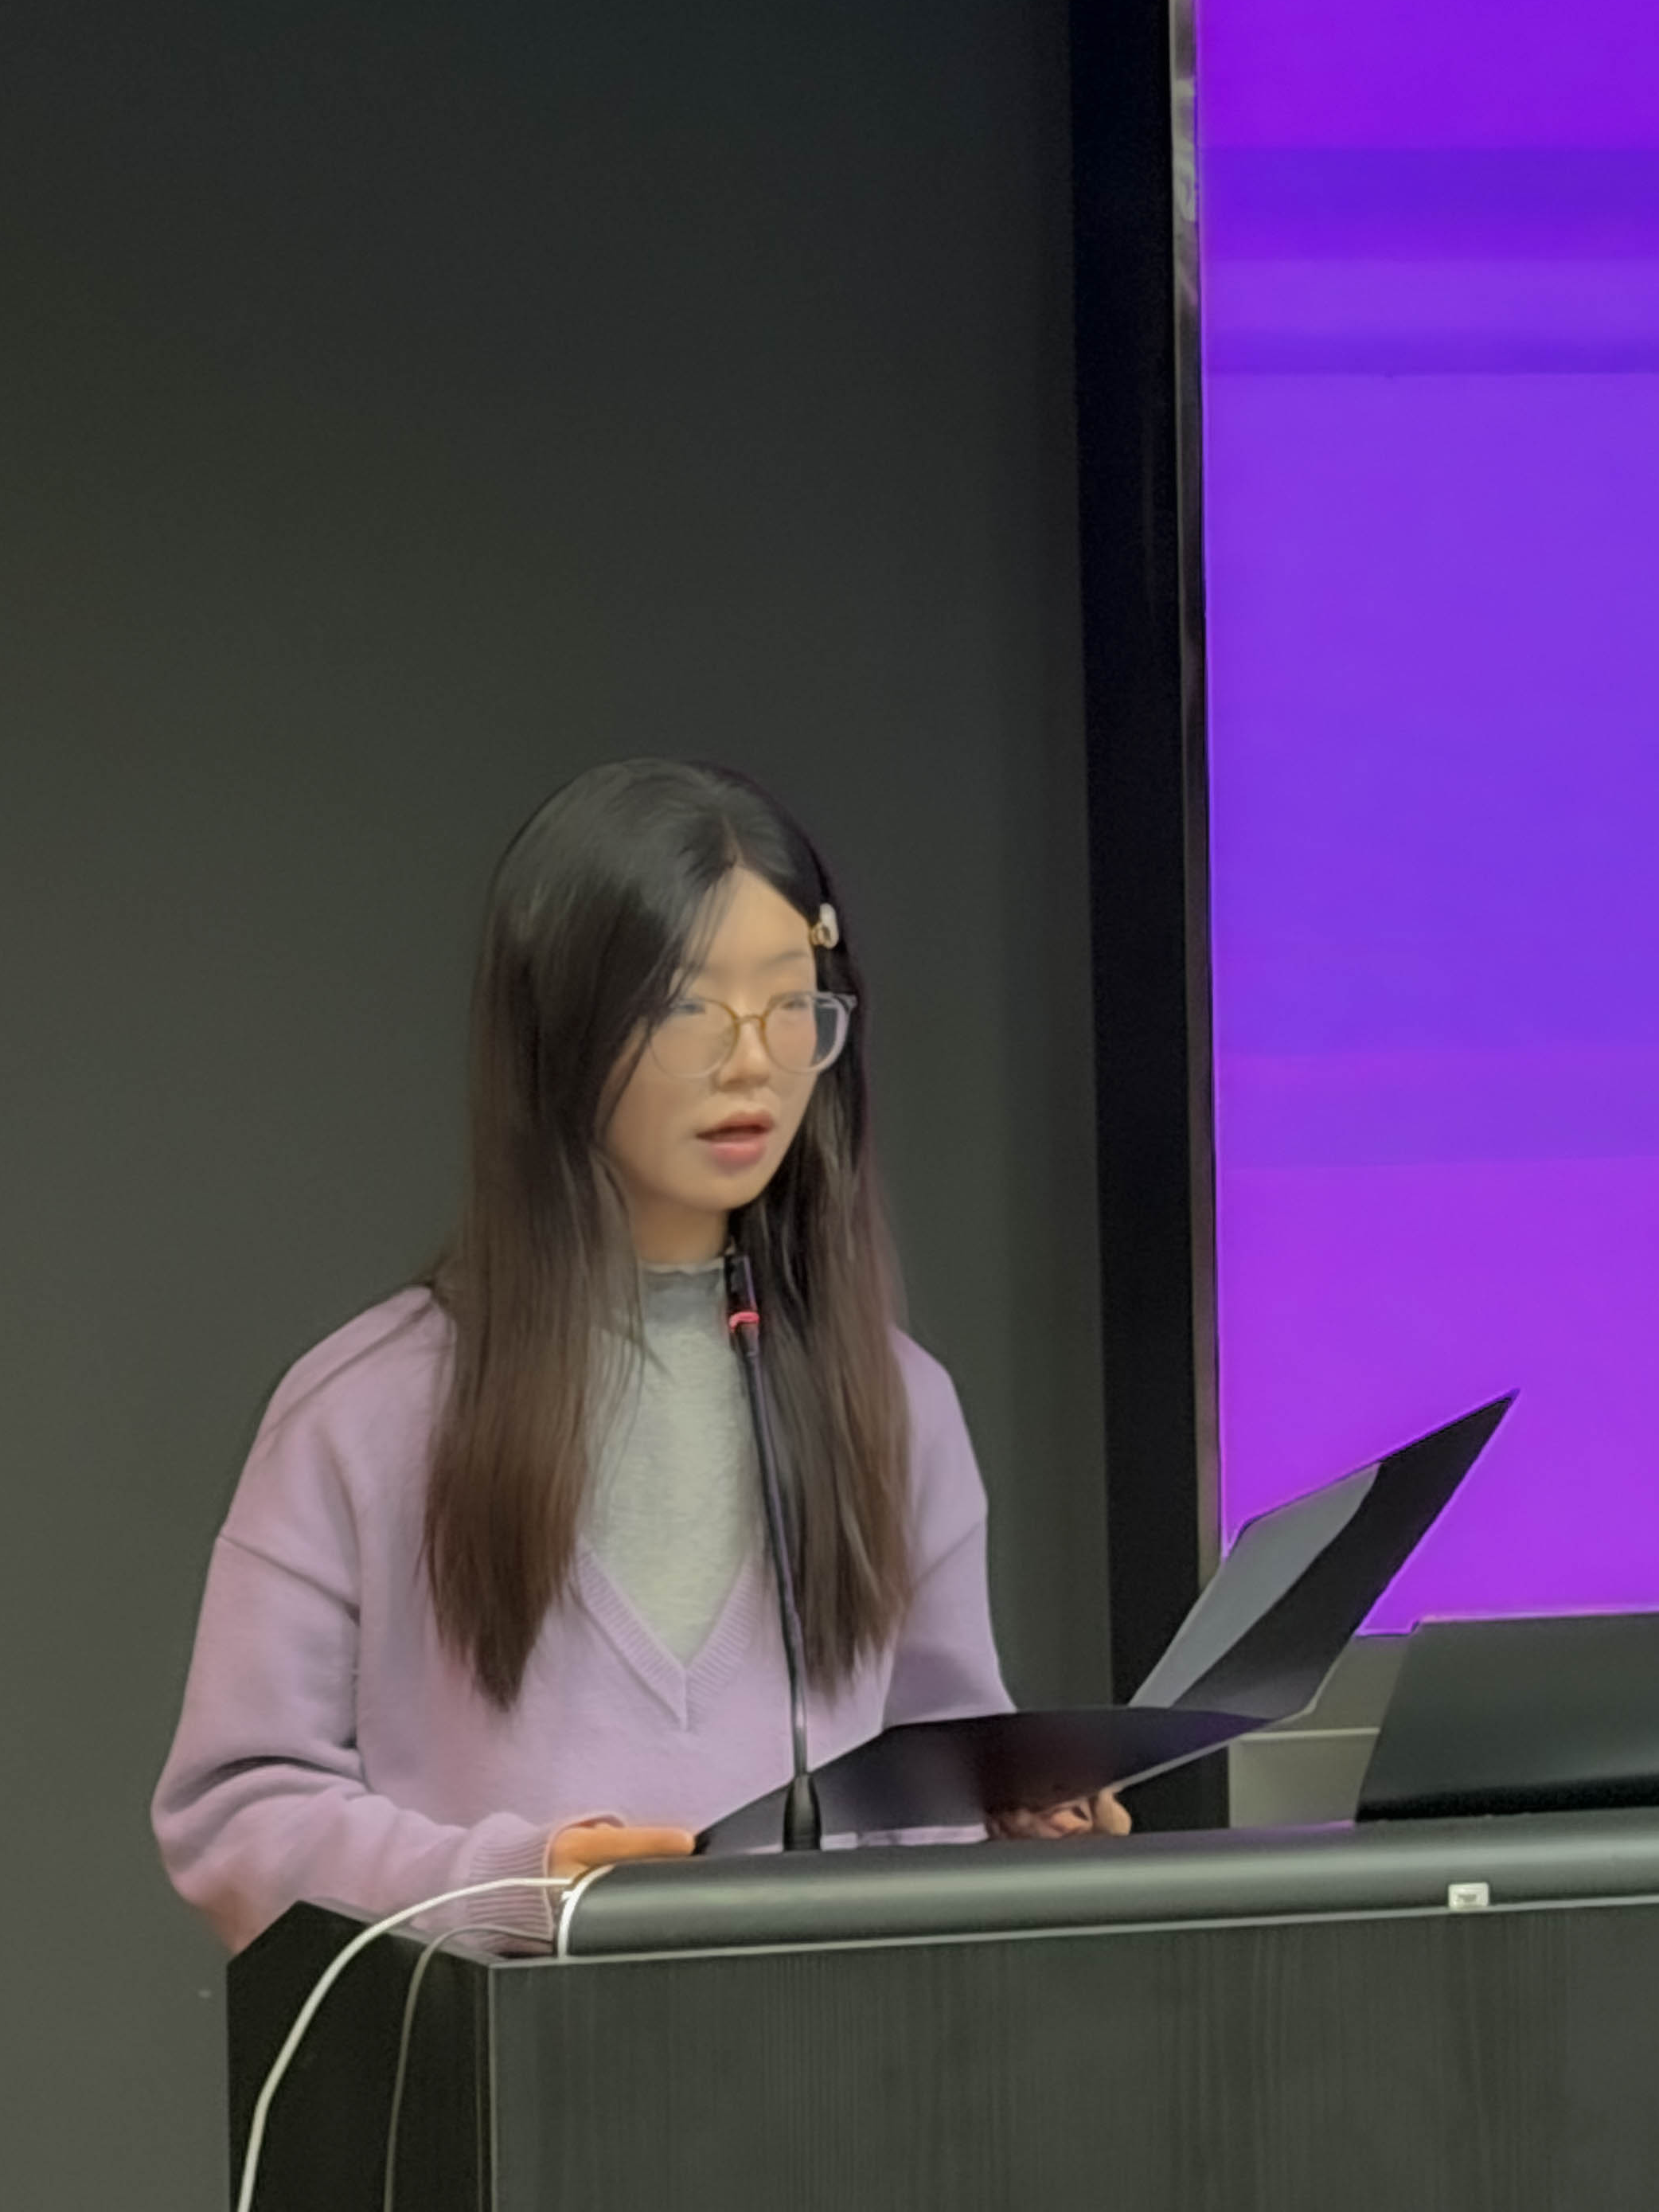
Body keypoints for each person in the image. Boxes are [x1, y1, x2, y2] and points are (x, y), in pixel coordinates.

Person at [152, 758, 1121, 1951]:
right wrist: (510, 1883)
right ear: (563, 1030)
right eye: (689, 1009)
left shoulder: (899, 1403)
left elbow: (933, 1784)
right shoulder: (366, 1408)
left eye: (790, 1005)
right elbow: (236, 1815)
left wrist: (1010, 1824)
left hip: (835, 2053)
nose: (752, 1062)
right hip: (512, 2056)